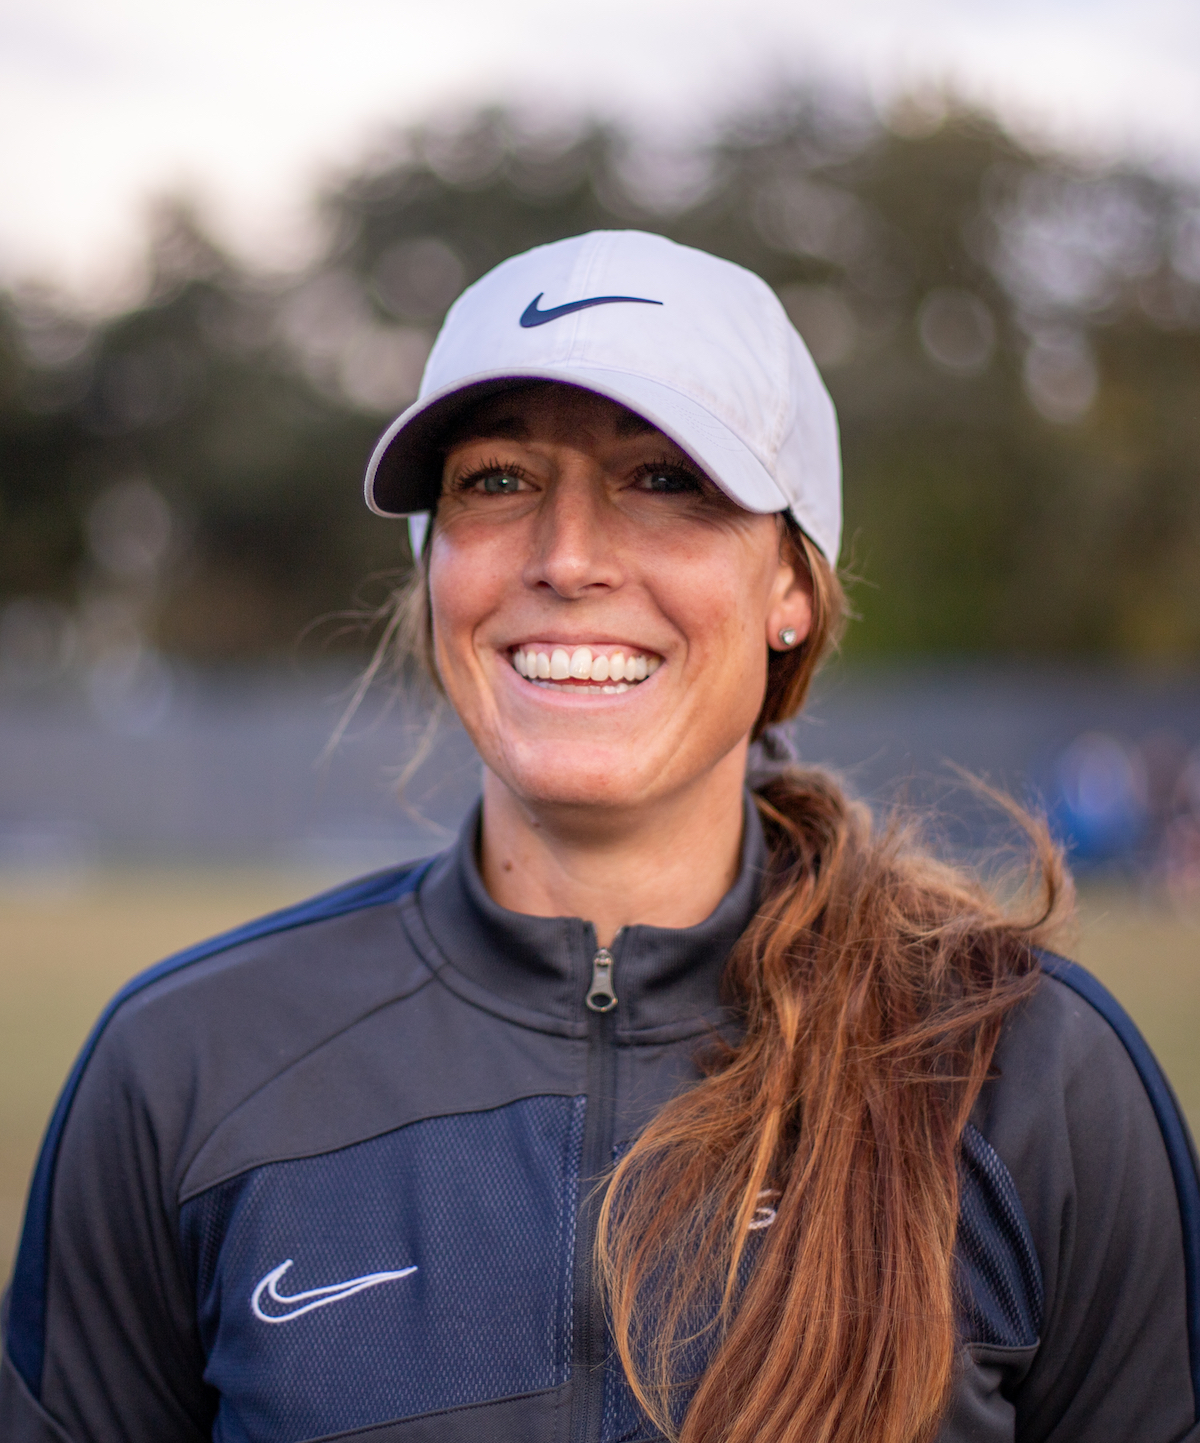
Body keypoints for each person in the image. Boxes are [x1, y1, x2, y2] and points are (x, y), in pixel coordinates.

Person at [2, 230, 1197, 1443]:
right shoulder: (185, 1068)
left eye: (666, 480)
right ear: (436, 574)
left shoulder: (1024, 1077)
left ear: (792, 584)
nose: (568, 559)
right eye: (499, 482)